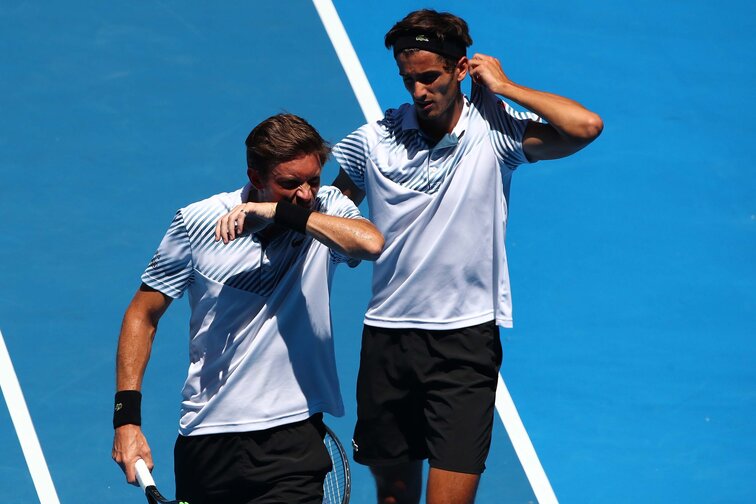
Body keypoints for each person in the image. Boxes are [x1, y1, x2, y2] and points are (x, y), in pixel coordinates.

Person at [331, 9, 603, 504]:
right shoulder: (372, 141)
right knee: (393, 498)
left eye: (430, 77)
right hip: (387, 338)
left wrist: (505, 86)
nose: (418, 92)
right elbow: (334, 211)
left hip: (464, 344)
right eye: (408, 79)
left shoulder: (495, 135)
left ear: (461, 69)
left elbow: (585, 126)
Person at [111, 113, 384, 504]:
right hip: (207, 439)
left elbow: (371, 243)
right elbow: (142, 314)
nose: (306, 193)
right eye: (290, 184)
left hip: (293, 437)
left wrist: (279, 211)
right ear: (256, 178)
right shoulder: (197, 221)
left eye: (313, 179)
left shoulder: (325, 210)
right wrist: (127, 419)